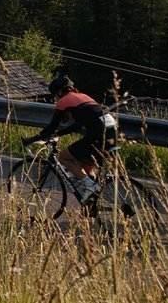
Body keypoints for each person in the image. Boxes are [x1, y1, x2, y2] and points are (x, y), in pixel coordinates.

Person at [29, 74, 118, 206]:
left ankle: (91, 188)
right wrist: (59, 133)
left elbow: (51, 126)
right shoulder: (84, 97)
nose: (55, 99)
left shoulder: (64, 101)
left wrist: (33, 139)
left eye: (55, 95)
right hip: (113, 132)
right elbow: (77, 125)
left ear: (60, 91)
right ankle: (91, 200)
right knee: (87, 168)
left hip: (98, 135)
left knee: (62, 157)